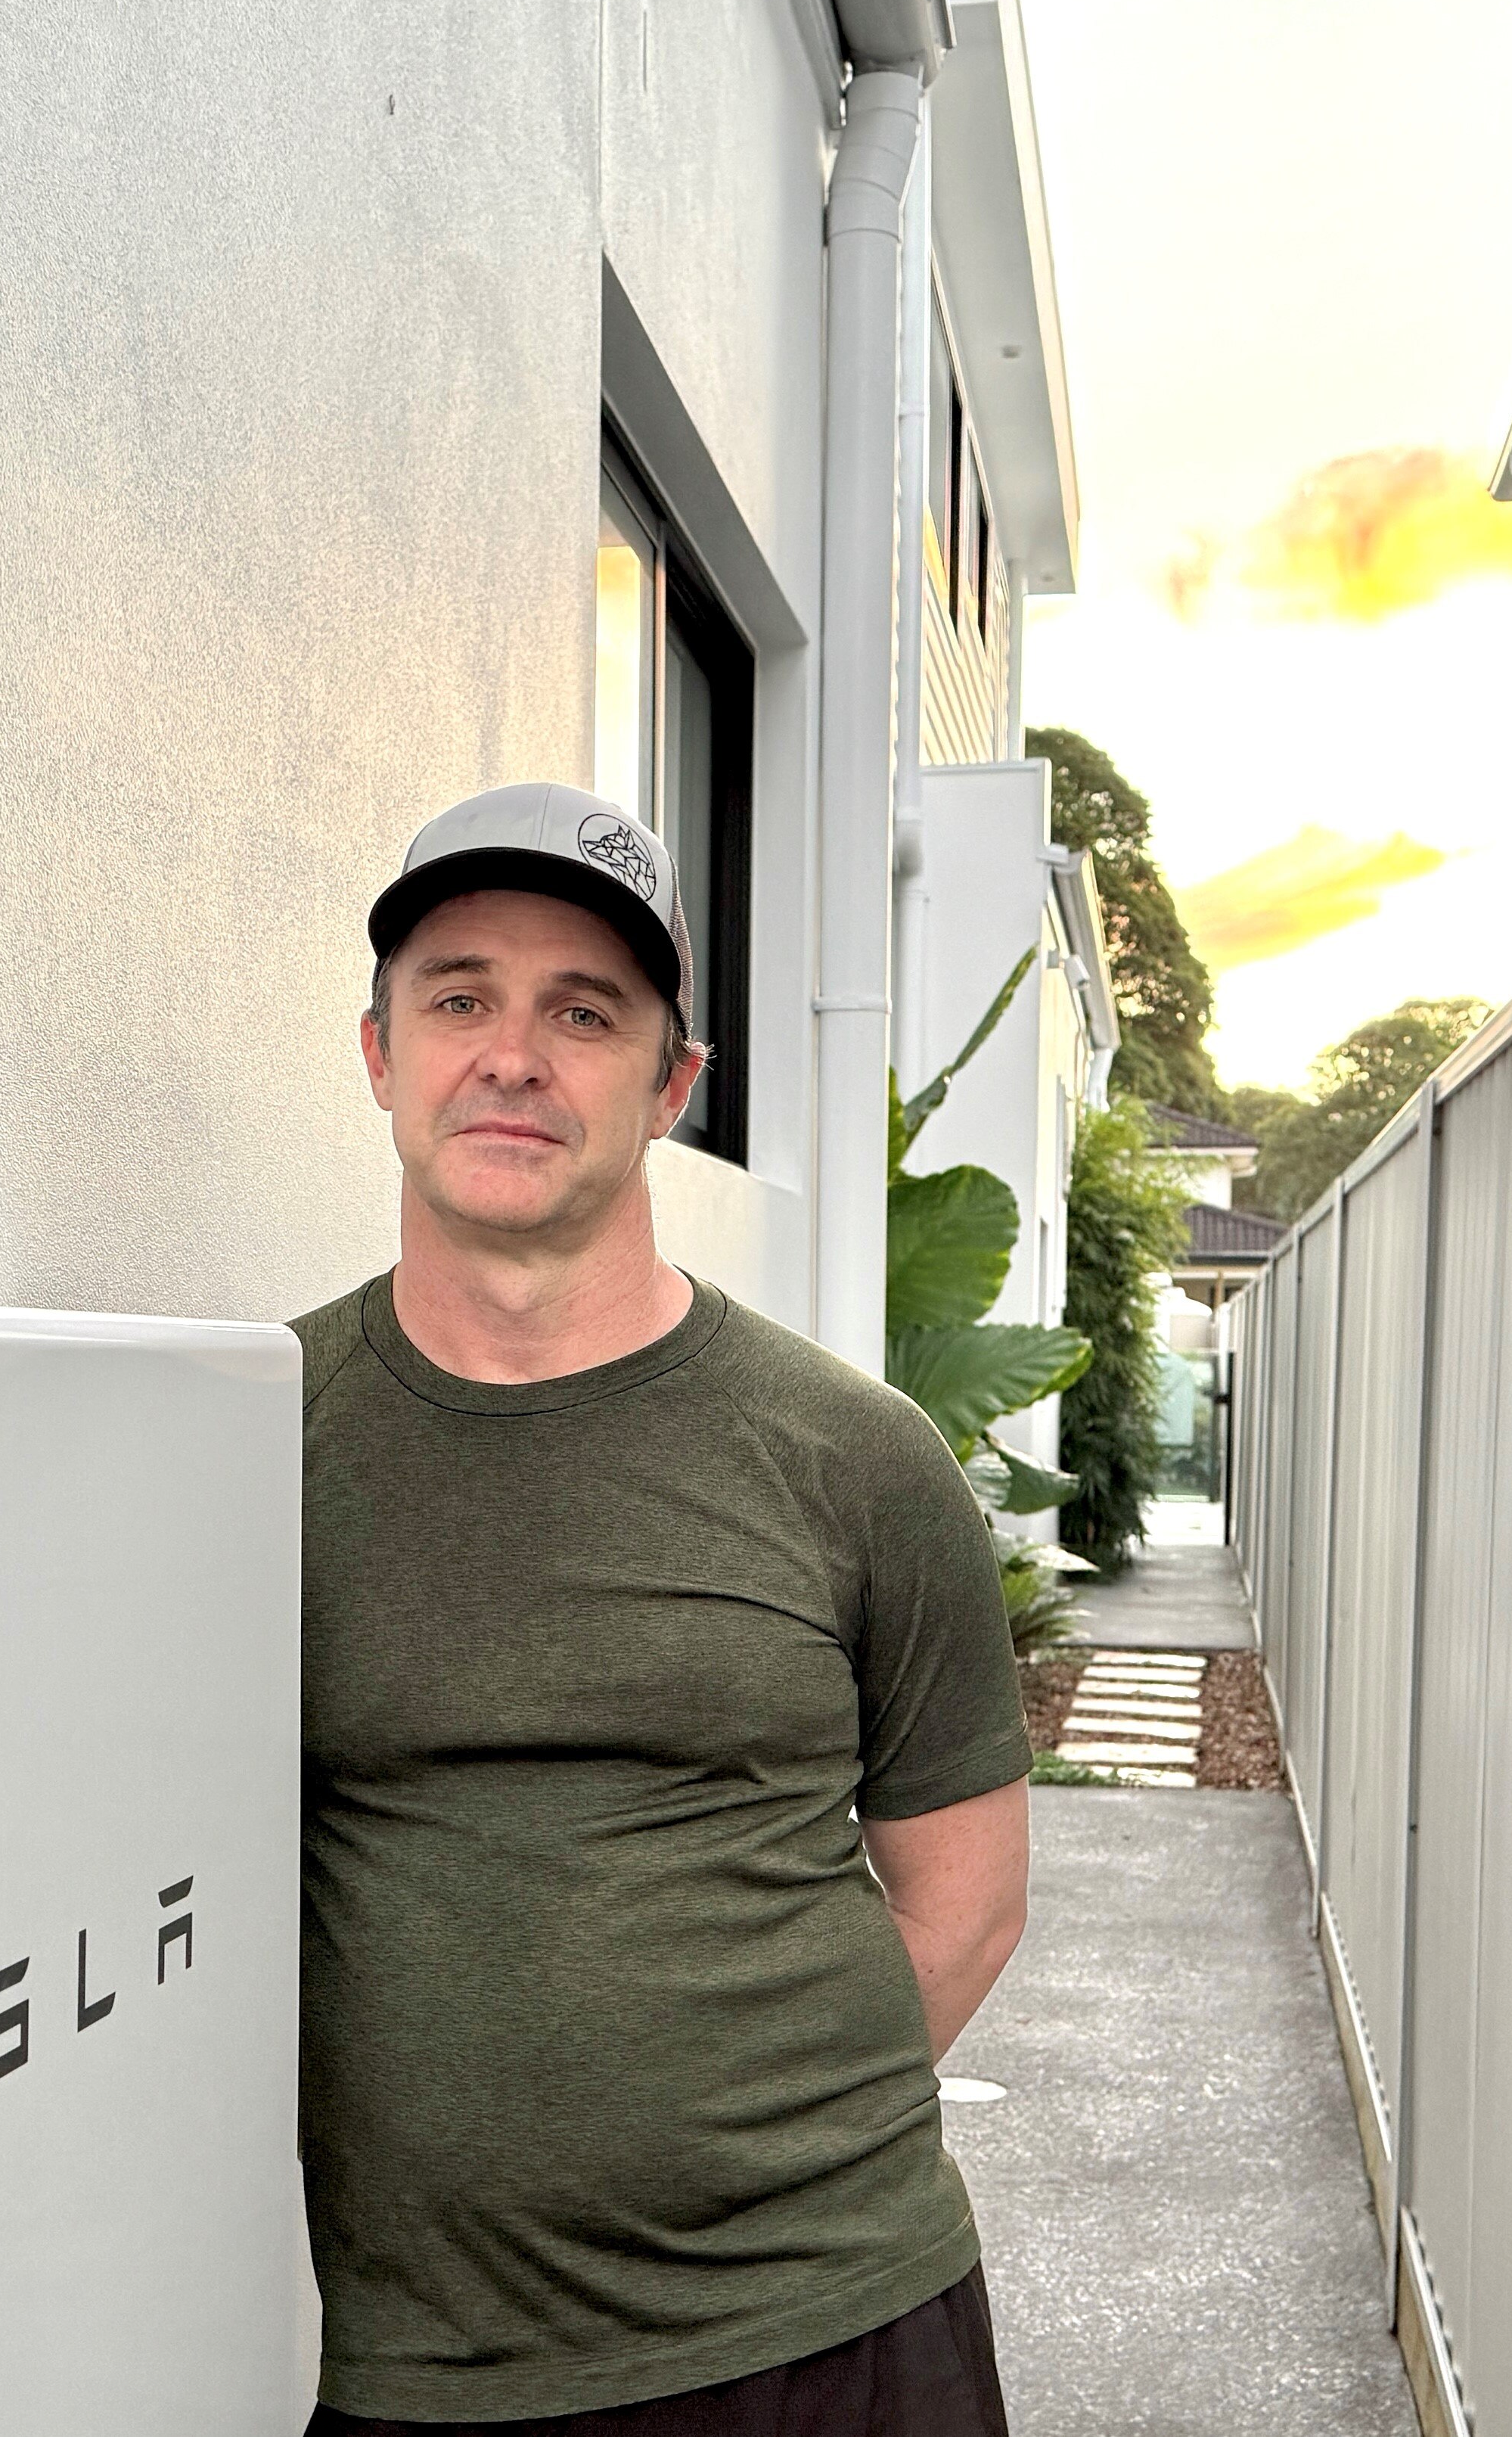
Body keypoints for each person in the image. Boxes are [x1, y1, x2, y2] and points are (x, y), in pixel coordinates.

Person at [292, 782, 1032, 2436]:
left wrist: (741, 2162)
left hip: (833, 2332)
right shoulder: (253, 1441)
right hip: (421, 2370)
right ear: (377, 1053)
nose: (510, 1053)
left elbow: (965, 1901)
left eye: (583, 1011)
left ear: (668, 1085)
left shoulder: (853, 1457)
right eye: (458, 995)